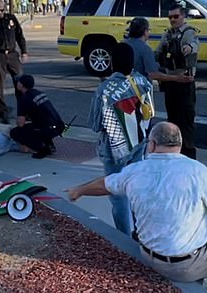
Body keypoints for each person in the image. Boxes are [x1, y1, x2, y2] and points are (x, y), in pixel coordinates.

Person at [66, 122, 207, 293]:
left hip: (149, 254)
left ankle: (197, 284)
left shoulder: (134, 171)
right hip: (185, 264)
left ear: (151, 145)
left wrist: (79, 190)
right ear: (179, 145)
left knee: (203, 239)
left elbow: (104, 184)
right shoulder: (198, 172)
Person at [89, 43, 154, 235]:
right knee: (136, 191)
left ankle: (123, 238)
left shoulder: (104, 90)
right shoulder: (142, 82)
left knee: (118, 196)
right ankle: (141, 232)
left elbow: (95, 124)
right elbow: (149, 113)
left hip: (113, 150)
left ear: (112, 63)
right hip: (138, 144)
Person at [155, 4, 199, 159]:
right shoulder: (167, 35)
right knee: (172, 121)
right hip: (170, 83)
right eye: (170, 17)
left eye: (176, 16)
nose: (172, 20)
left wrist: (189, 48)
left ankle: (189, 156)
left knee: (186, 123)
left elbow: (194, 45)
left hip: (185, 83)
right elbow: (158, 52)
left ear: (183, 16)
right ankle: (174, 154)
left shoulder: (188, 32)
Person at [0, 0, 29, 124]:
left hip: (13, 54)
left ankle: (24, 111)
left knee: (20, 83)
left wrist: (24, 52)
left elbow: (20, 36)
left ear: (5, 9)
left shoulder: (11, 19)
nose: (0, 13)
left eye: (2, 10)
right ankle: (2, 112)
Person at [10, 74, 65, 159]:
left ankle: (41, 147)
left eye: (18, 82)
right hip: (59, 126)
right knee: (37, 126)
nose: (17, 83)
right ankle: (48, 143)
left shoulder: (24, 99)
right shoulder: (39, 93)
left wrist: (19, 119)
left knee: (15, 132)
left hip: (47, 129)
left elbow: (20, 123)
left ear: (21, 85)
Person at [125, 17, 193, 84]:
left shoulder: (121, 45)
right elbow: (153, 74)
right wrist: (177, 78)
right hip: (137, 89)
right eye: (148, 30)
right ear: (145, 32)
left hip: (120, 89)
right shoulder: (145, 49)